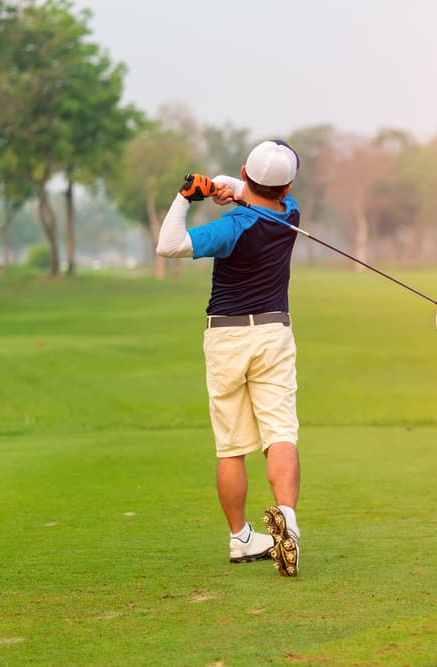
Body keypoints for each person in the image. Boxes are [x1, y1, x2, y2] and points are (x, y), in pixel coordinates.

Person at [156, 140, 303, 577]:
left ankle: (241, 537)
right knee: (280, 434)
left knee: (232, 448)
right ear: (289, 184)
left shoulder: (231, 227)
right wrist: (228, 187)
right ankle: (287, 521)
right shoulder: (291, 212)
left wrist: (188, 196)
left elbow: (170, 244)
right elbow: (256, 192)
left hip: (225, 338)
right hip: (274, 334)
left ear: (245, 169)